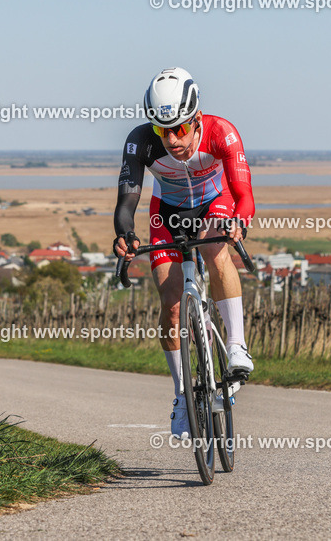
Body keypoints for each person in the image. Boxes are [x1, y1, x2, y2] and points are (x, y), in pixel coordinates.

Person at [113, 67, 255, 439]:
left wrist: (239, 220)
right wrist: (125, 235)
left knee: (215, 248)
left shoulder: (221, 132)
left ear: (196, 119)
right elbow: (126, 202)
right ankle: (181, 396)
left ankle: (237, 346)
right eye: (163, 130)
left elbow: (243, 194)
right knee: (171, 302)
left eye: (179, 128)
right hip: (167, 213)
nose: (172, 139)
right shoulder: (141, 141)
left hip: (214, 203)